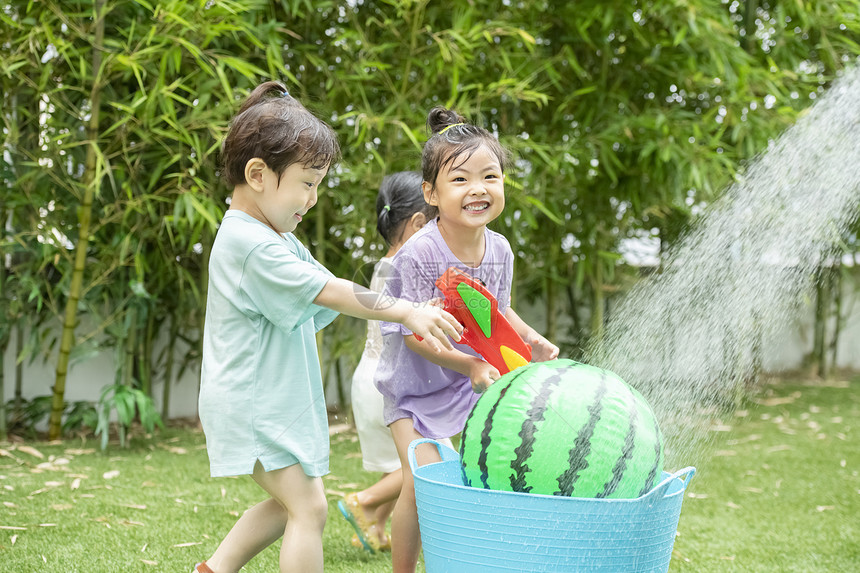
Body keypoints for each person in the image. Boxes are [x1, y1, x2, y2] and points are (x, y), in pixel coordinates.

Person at [193, 83, 462, 573]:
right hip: (253, 400)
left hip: (262, 398)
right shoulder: (251, 243)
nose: (312, 199)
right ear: (258, 174)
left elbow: (326, 286)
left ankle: (212, 570)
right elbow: (331, 291)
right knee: (309, 508)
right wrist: (403, 309)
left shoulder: (269, 236)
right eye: (307, 182)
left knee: (287, 505)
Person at [374, 107, 560, 573]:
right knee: (420, 482)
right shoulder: (418, 253)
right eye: (460, 179)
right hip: (413, 392)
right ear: (431, 194)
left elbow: (499, 311)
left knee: (491, 470)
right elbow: (416, 336)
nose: (478, 189)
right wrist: (470, 366)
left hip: (472, 386)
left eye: (490, 176)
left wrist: (532, 339)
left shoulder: (499, 248)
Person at [337, 171, 442, 553]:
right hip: (391, 384)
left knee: (400, 464)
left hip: (370, 379)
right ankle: (363, 502)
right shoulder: (408, 267)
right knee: (433, 462)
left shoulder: (384, 265)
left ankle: (374, 527)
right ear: (418, 223)